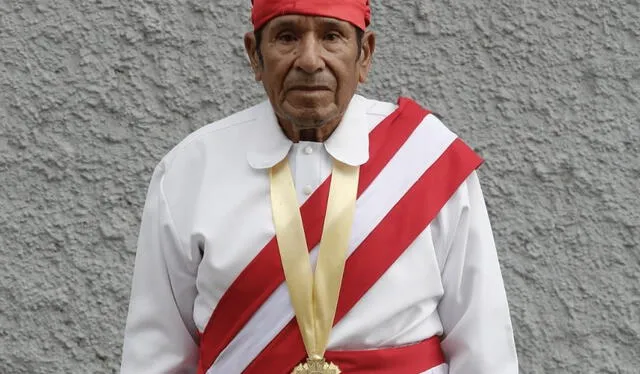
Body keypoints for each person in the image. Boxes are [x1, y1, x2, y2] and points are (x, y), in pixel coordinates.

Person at [119, 0, 519, 373]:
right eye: (287, 36)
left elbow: (482, 339)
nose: (310, 61)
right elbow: (157, 350)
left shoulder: (428, 158)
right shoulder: (191, 169)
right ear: (254, 55)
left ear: (364, 55)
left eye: (331, 36)